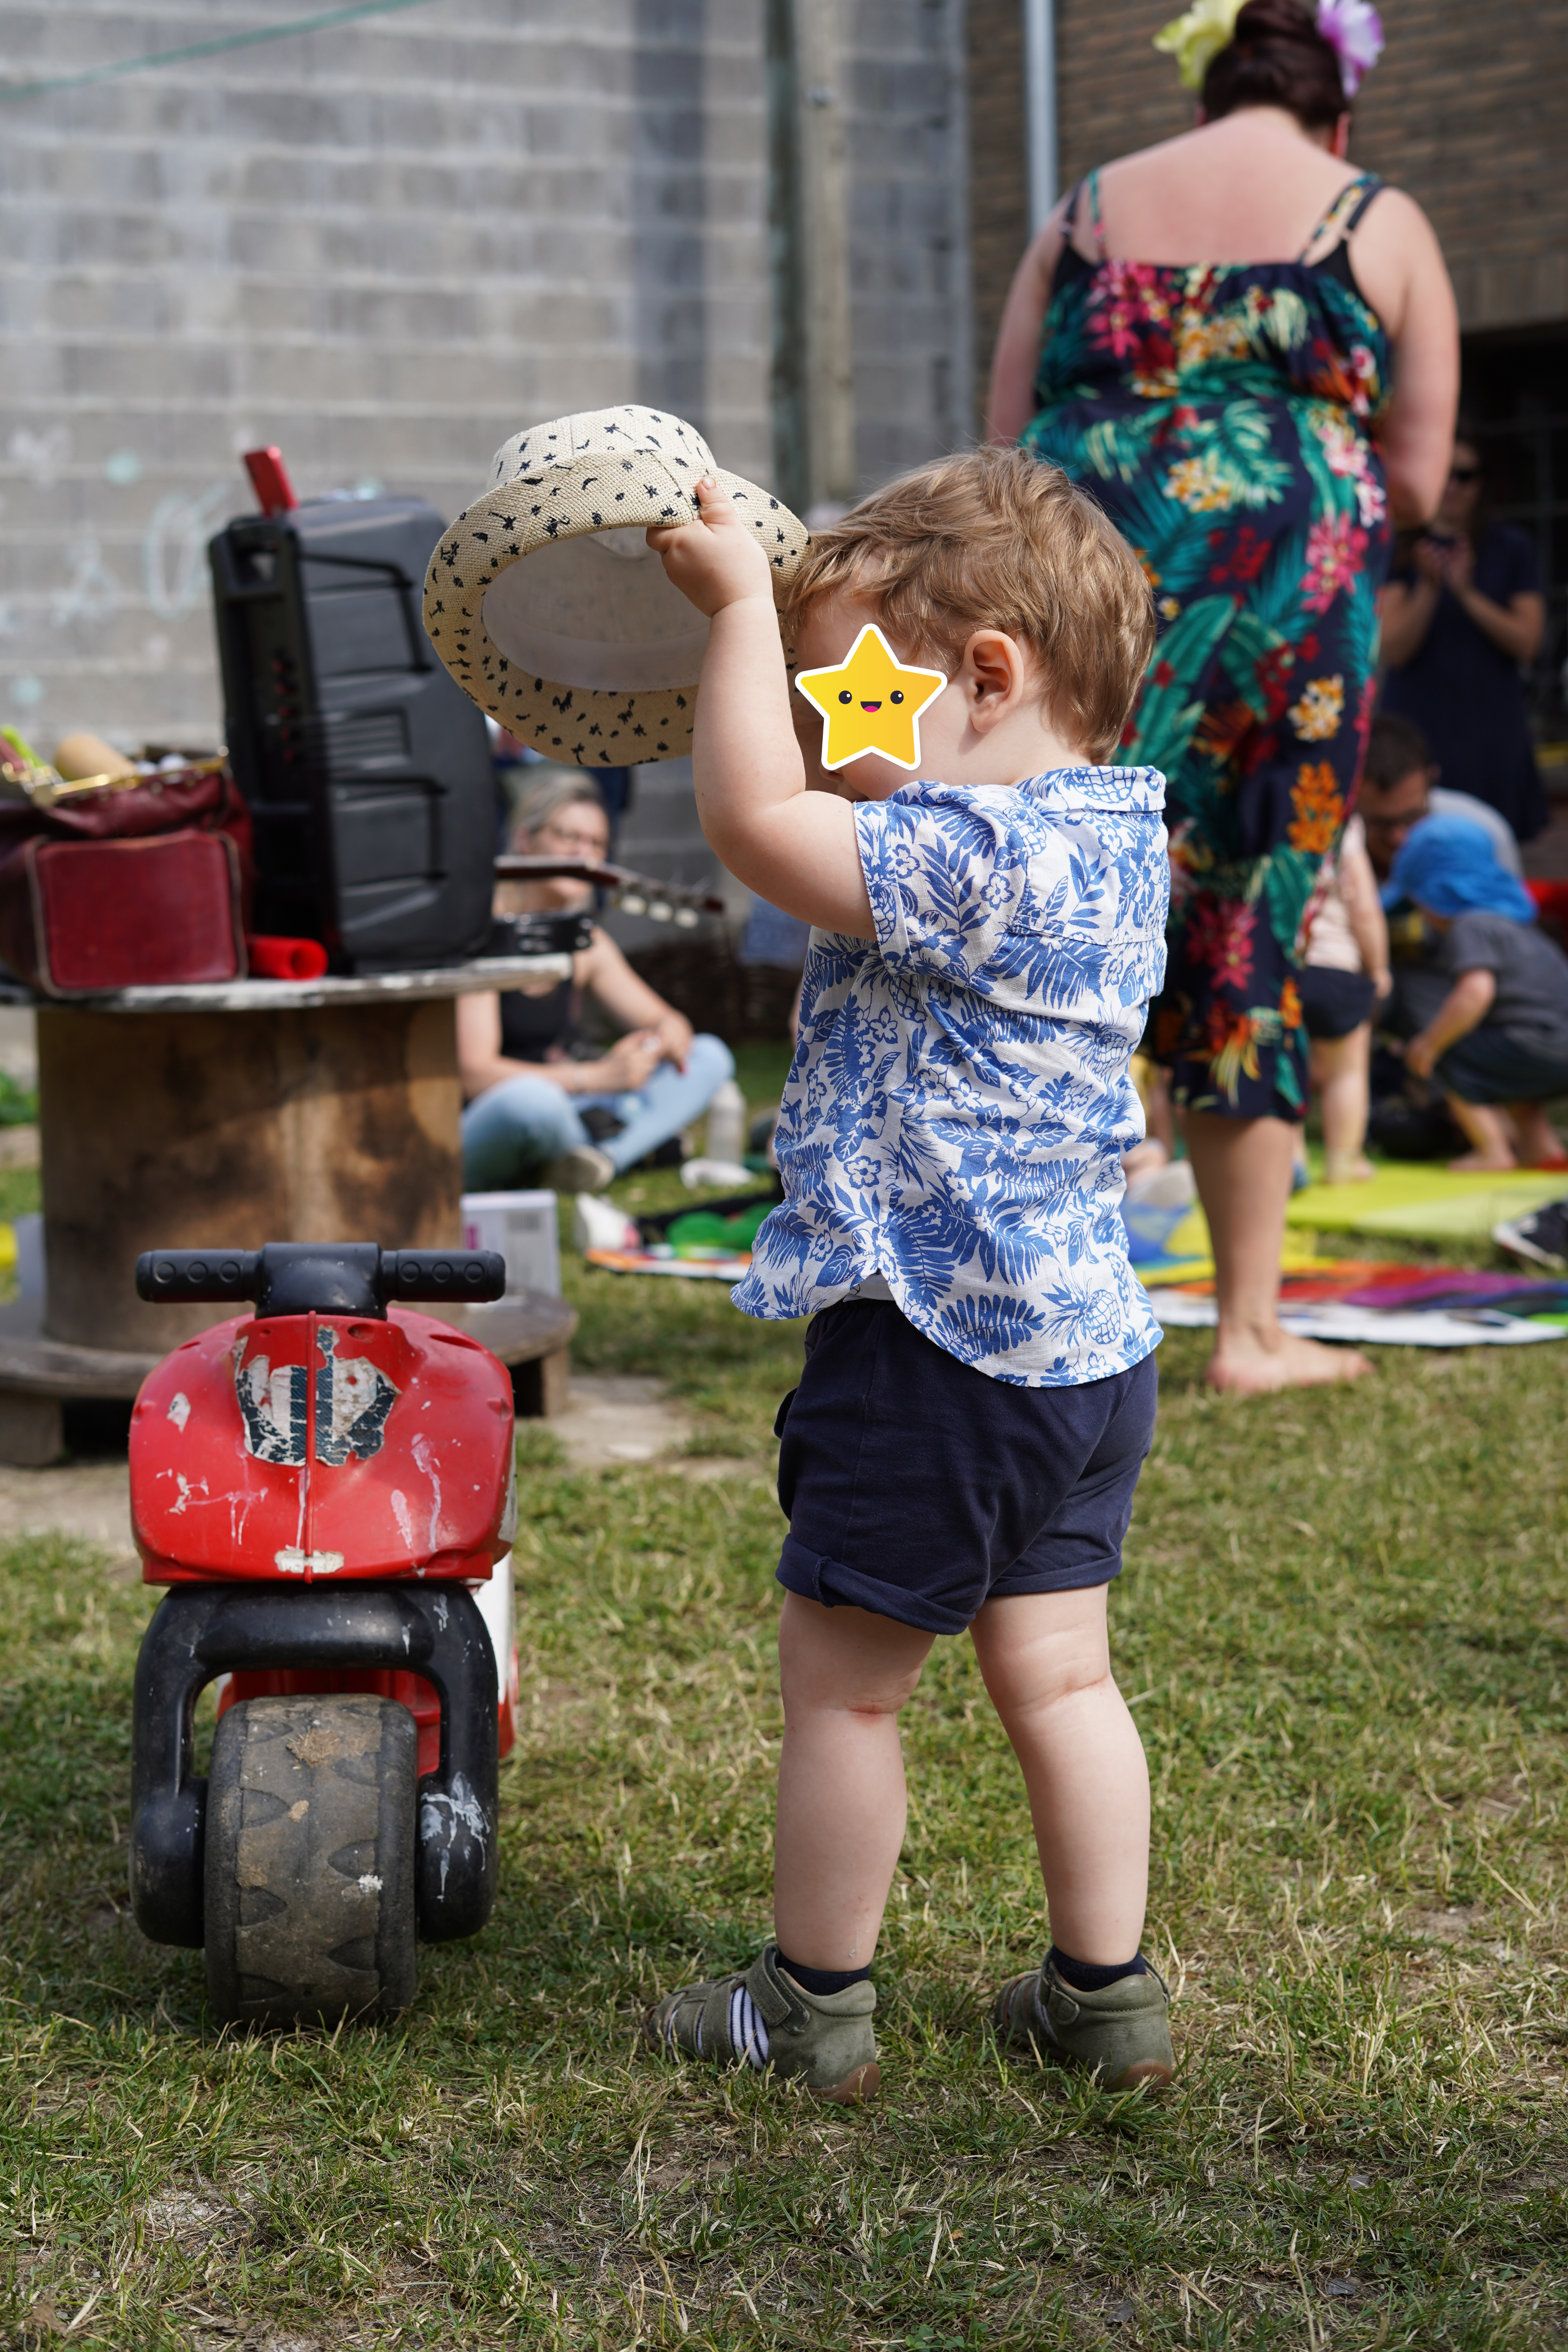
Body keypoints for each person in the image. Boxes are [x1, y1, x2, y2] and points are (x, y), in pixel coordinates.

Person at [639, 448, 1176, 2100]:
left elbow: (749, 818)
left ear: (992, 676)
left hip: (934, 1348)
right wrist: (794, 626)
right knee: (1062, 1672)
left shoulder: (968, 850)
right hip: (1084, 1355)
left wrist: (737, 610)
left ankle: (810, 2008)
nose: (823, 734)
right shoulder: (1113, 840)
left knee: (847, 1699)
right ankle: (1102, 1999)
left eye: (853, 695)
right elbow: (812, 784)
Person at [987, 0, 1457, 1391]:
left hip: (1080, 605)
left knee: (1045, 908)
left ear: (1200, 100)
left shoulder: (1081, 209)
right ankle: (1247, 1330)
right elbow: (1421, 480)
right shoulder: (1374, 215)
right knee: (1246, 926)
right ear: (1339, 113)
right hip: (1282, 618)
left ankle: (1004, 1303)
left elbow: (1006, 439)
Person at [457, 773, 734, 1193]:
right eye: (568, 836)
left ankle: (600, 1160)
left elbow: (668, 1021)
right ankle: (630, 1145)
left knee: (709, 1057)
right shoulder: (483, 931)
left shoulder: (585, 943)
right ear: (525, 839)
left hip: (567, 1101)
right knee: (532, 1103)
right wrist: (598, 1077)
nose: (583, 854)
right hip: (491, 1113)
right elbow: (474, 1074)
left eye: (596, 844)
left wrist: (651, 1046)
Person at [1379, 430, 1548, 843]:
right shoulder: (1399, 549)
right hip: (1419, 728)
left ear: (1482, 483)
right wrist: (1430, 587)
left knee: (1501, 851)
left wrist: (1466, 593)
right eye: (1445, 473)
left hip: (1492, 727)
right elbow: (1393, 650)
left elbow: (1527, 643)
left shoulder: (1510, 546)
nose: (1453, 486)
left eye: (1465, 475)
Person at [1388, 815, 1568, 1173]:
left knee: (1452, 1057)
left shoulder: (1470, 927)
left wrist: (1430, 1043)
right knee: (1504, 1070)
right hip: (1554, 1045)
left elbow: (1475, 992)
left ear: (1438, 894)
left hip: (1538, 1044)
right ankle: (1545, 1151)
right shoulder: (1514, 928)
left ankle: (1493, 1152)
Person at [1299, 810, 1388, 1182]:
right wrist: (1379, 968)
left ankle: (1292, 1159)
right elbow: (1364, 908)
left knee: (1288, 1067)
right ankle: (1343, 1162)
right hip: (1336, 966)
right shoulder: (1341, 819)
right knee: (1347, 1072)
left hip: (1282, 966)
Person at [1358, 710, 1523, 887]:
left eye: (1412, 817)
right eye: (1381, 823)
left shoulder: (1483, 832)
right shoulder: (1329, 850)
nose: (1399, 838)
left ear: (1433, 780)